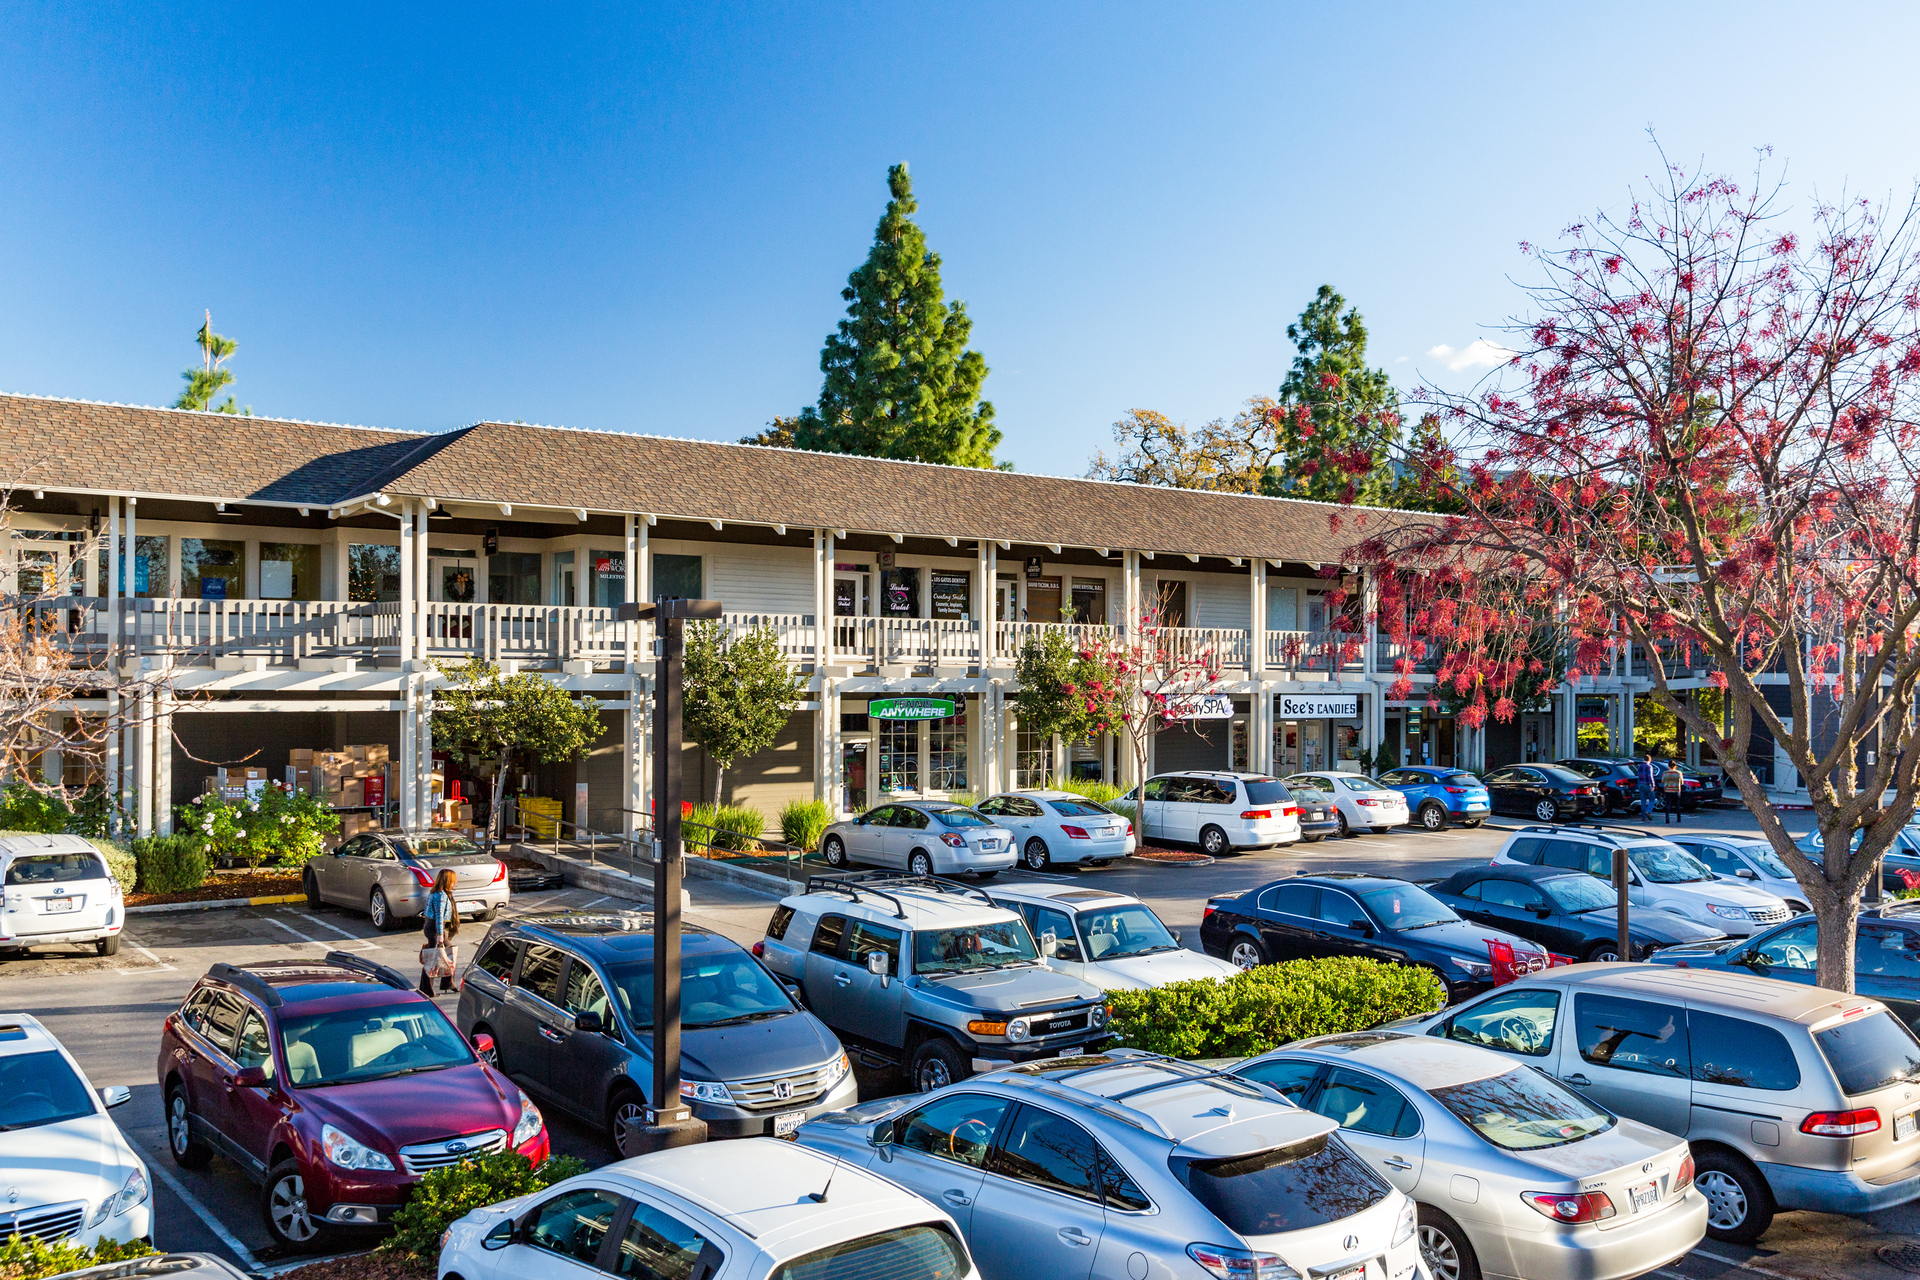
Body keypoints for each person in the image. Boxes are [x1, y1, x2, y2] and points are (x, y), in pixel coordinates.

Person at [420, 867, 459, 996]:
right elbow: (439, 916)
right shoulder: (440, 896)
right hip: (436, 928)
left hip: (432, 927)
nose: (455, 883)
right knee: (434, 958)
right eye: (453, 880)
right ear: (447, 881)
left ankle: (447, 983)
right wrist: (440, 935)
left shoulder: (435, 893)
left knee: (444, 954)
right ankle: (427, 989)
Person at [1661, 759, 1685, 825]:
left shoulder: (1665, 773)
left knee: (1668, 804)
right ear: (1675, 766)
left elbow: (1662, 781)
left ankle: (1667, 819)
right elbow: (1682, 782)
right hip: (1676, 790)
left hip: (1667, 790)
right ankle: (1678, 818)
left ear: (1668, 766)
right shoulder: (1679, 773)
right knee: (1677, 804)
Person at [1636, 753, 1658, 818]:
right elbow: (1650, 776)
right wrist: (1653, 785)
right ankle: (1648, 811)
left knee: (1643, 801)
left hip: (1640, 784)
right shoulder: (1649, 766)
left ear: (1643, 759)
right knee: (1652, 799)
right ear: (1650, 760)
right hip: (1647, 784)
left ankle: (1643, 817)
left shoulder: (1639, 766)